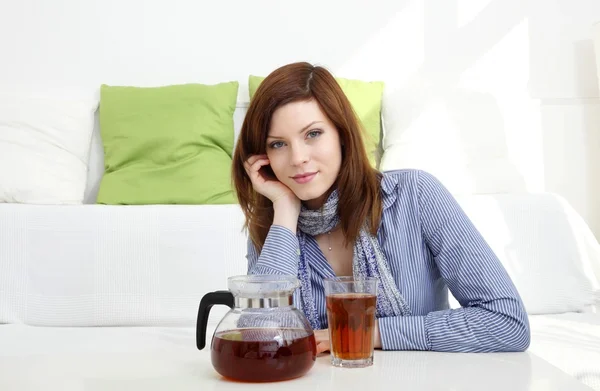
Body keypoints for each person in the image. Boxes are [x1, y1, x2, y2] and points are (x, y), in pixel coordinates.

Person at [231, 62, 530, 354]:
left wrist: (366, 334)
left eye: (313, 134)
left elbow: (507, 322)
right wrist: (284, 210)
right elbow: (259, 340)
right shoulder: (275, 226)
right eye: (278, 144)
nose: (298, 158)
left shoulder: (414, 195)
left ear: (342, 135)